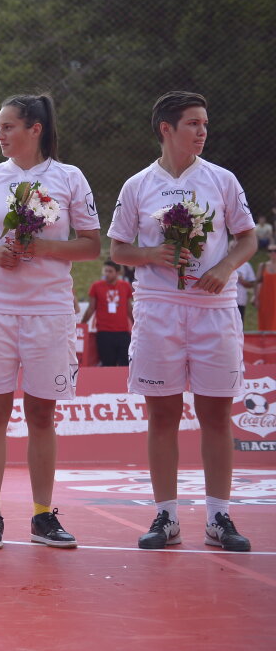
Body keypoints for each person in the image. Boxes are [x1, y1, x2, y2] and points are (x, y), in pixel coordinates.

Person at [109, 91, 257, 552]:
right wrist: (153, 254)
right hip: (158, 308)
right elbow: (117, 250)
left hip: (214, 310)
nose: (202, 132)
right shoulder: (137, 185)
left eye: (205, 124)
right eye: (193, 123)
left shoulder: (222, 180)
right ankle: (166, 517)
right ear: (166, 129)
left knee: (216, 414)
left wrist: (222, 268)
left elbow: (247, 239)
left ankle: (219, 517)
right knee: (163, 415)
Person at [0, 94, 101, 550]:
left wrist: (40, 248)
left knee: (43, 414)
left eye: (7, 127)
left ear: (34, 128)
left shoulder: (68, 177)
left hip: (49, 309)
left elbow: (90, 245)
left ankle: (43, 515)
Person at [80, 260, 133, 366]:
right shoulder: (96, 286)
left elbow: (129, 308)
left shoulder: (125, 286)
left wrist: (136, 324)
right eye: (105, 271)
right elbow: (91, 308)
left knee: (126, 365)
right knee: (108, 365)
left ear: (118, 273)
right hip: (104, 333)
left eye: (110, 271)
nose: (106, 274)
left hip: (123, 333)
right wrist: (82, 324)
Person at [234, 243, 255, 321]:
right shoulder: (221, 264)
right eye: (232, 247)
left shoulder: (246, 265)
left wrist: (241, 281)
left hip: (240, 301)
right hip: (223, 302)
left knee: (239, 325)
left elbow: (252, 284)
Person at [257, 246, 276, 331]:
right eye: (270, 251)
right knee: (265, 320)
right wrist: (256, 298)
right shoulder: (262, 265)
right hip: (265, 297)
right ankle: (265, 342)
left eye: (275, 251)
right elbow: (258, 283)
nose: (272, 253)